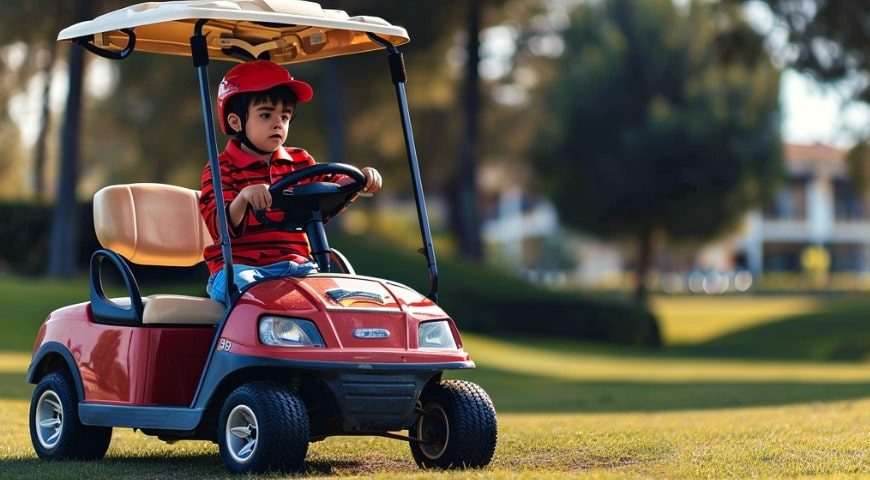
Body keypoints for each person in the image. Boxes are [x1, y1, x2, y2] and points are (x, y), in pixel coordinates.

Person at [199, 60, 382, 303]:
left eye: (284, 116)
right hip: (239, 269)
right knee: (253, 294)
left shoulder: (299, 160)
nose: (278, 123)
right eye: (266, 115)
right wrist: (243, 198)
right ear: (236, 122)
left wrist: (361, 179)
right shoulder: (221, 167)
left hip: (297, 267)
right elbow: (217, 226)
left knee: (342, 298)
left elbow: (331, 184)